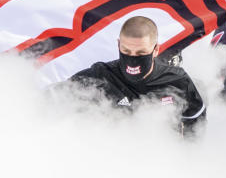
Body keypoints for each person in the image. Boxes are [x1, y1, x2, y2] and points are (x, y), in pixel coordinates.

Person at [67, 15, 205, 135]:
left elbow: (196, 121)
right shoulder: (100, 75)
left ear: (155, 49)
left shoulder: (178, 81)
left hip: (161, 157)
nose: (132, 59)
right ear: (118, 45)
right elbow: (54, 101)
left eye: (141, 53)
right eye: (126, 51)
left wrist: (187, 157)